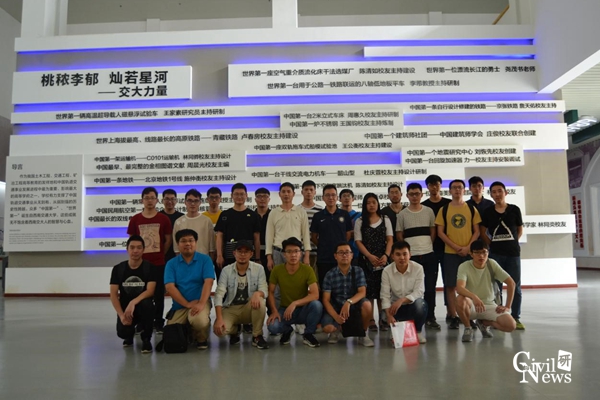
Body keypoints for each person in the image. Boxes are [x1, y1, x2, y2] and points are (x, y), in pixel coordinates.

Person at [435, 179, 481, 330]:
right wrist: (455, 247)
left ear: (464, 190)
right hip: (450, 253)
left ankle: (469, 315)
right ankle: (453, 316)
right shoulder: (444, 209)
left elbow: (477, 231)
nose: (457, 190)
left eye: (460, 187)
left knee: (469, 285)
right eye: (454, 187)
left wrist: (468, 247)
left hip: (468, 253)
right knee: (450, 285)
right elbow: (440, 232)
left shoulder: (471, 209)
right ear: (449, 191)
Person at [480, 181, 525, 330]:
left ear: (505, 193)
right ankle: (497, 316)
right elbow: (482, 231)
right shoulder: (488, 212)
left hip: (513, 254)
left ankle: (515, 317)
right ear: (491, 195)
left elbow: (519, 229)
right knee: (496, 287)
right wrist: (491, 244)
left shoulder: (514, 209)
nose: (497, 194)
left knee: (515, 286)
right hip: (495, 254)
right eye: (494, 192)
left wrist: (512, 242)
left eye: (500, 191)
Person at [127, 186, 172, 333]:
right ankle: (141, 322)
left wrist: (162, 254)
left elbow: (168, 239)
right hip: (140, 264)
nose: (149, 201)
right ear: (142, 200)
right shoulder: (135, 219)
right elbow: (132, 241)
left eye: (152, 198)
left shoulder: (163, 219)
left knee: (158, 294)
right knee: (140, 293)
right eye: (146, 198)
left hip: (158, 263)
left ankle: (158, 322)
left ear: (157, 200)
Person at [396, 183, 440, 330]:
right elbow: (399, 235)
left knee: (430, 287)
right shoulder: (402, 214)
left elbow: (433, 232)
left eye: (417, 194)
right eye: (411, 194)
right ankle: (413, 317)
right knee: (411, 288)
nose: (414, 197)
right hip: (411, 257)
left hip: (428, 255)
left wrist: (426, 246)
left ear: (421, 195)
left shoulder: (428, 211)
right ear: (407, 196)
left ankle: (430, 317)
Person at [164, 229, 216, 350]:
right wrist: (187, 304)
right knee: (172, 330)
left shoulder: (205, 260)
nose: (187, 244)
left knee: (199, 322)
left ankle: (201, 338)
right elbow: (169, 287)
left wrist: (201, 303)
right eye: (183, 241)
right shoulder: (171, 263)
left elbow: (208, 282)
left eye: (191, 240)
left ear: (196, 242)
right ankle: (188, 331)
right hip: (180, 305)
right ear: (178, 244)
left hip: (200, 302)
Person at [266, 237, 323, 347]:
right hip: (285, 310)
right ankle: (287, 330)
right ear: (284, 254)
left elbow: (315, 294)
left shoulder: (307, 270)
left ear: (301, 254)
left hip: (303, 309)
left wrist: (295, 303)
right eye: (289, 252)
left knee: (317, 305)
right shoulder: (277, 270)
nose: (293, 255)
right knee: (272, 326)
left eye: (296, 251)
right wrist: (274, 311)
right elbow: (271, 291)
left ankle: (308, 334)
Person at [456, 240, 516, 342]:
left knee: (511, 325)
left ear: (488, 252)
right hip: (471, 306)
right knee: (460, 299)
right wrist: (474, 297)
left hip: (489, 305)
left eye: (484, 252)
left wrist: (507, 306)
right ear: (471, 254)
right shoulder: (464, 266)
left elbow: (511, 283)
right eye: (477, 253)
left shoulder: (492, 264)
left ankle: (484, 323)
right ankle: (468, 328)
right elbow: (459, 288)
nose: (481, 256)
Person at [213, 241, 269, 349]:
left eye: (246, 251)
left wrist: (257, 293)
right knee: (219, 331)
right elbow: (219, 294)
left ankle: (257, 335)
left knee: (260, 301)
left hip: (249, 307)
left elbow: (264, 289)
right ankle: (235, 330)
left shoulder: (259, 269)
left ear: (251, 254)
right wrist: (219, 318)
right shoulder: (226, 270)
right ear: (234, 253)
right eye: (239, 251)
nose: (242, 254)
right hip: (231, 308)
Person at [321, 242, 375, 347]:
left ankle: (363, 333)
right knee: (327, 328)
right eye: (341, 253)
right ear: (335, 256)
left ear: (352, 255)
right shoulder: (330, 274)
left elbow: (362, 292)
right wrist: (336, 317)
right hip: (336, 307)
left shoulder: (358, 271)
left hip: (353, 306)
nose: (344, 255)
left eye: (347, 252)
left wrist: (348, 302)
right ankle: (335, 330)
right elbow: (326, 300)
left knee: (367, 305)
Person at [109, 235, 156, 353]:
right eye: (132, 247)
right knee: (122, 333)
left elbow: (150, 291)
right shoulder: (118, 269)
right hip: (126, 309)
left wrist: (133, 302)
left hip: (142, 306)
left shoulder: (150, 268)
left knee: (147, 304)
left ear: (143, 250)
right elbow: (113, 294)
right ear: (127, 249)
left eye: (139, 248)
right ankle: (129, 335)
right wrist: (121, 315)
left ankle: (146, 339)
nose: (135, 251)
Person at [355, 192, 394, 332]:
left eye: (374, 202)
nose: (371, 205)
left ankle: (383, 318)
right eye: (368, 203)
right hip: (366, 261)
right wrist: (369, 256)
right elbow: (358, 241)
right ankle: (370, 319)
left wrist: (386, 255)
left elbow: (390, 239)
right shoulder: (360, 221)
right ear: (364, 205)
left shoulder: (385, 219)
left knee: (383, 290)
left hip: (383, 260)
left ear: (378, 204)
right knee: (369, 291)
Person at [381, 241, 428, 344]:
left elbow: (419, 291)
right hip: (395, 308)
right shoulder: (387, 271)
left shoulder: (418, 268)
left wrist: (402, 300)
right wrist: (389, 315)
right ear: (392, 256)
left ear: (410, 255)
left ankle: (417, 332)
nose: (402, 258)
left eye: (404, 254)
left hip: (412, 305)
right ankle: (395, 329)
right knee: (385, 314)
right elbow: (385, 295)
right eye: (398, 254)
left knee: (421, 304)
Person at [310, 184, 353, 288]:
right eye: (327, 195)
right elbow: (314, 237)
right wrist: (324, 245)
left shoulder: (344, 214)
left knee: (343, 286)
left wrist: (340, 248)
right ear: (323, 198)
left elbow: (348, 234)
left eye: (333, 195)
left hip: (342, 258)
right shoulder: (318, 216)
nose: (331, 198)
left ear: (337, 197)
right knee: (325, 286)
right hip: (324, 258)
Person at [422, 174, 451, 320]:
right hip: (430, 250)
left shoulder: (449, 204)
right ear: (427, 187)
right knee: (429, 283)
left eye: (437, 184)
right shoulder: (424, 206)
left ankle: (451, 312)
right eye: (431, 185)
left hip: (448, 249)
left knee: (449, 282)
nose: (434, 187)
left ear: (441, 185)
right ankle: (430, 315)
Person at [215, 183, 261, 271]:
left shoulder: (253, 215)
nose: (239, 197)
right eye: (236, 194)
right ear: (231, 196)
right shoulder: (225, 215)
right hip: (229, 256)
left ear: (246, 195)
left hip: (248, 256)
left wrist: (257, 258)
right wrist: (219, 255)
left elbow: (257, 238)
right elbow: (219, 236)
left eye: (242, 194)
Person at [265, 182, 312, 271]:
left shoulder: (301, 211)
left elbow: (306, 235)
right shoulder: (273, 213)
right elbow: (269, 236)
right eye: (283, 192)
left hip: (296, 253)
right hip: (278, 252)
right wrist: (269, 257)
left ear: (293, 194)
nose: (286, 194)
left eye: (288, 191)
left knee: (296, 278)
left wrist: (307, 255)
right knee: (279, 279)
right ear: (279, 194)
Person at [172, 189, 216, 259]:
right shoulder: (178, 222)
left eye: (196, 201)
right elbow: (176, 248)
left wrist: (210, 262)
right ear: (185, 202)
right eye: (189, 201)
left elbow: (212, 247)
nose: (192, 204)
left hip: (203, 260)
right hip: (184, 260)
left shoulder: (206, 221)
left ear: (200, 202)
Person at [300, 180, 323, 269]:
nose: (308, 192)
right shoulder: (297, 210)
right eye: (306, 190)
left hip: (316, 251)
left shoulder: (320, 210)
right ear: (302, 192)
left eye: (311, 190)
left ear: (315, 192)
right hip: (300, 251)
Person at [160, 188, 184, 263]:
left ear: (176, 201)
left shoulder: (182, 217)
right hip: (162, 253)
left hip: (179, 253)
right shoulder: (158, 216)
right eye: (167, 199)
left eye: (172, 199)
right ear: (162, 201)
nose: (170, 202)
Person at [339, 188, 361, 264]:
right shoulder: (336, 215)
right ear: (340, 199)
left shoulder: (359, 215)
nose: (346, 198)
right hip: (340, 252)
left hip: (356, 251)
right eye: (344, 196)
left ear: (353, 199)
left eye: (349, 196)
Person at [254, 187, 271, 275]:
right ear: (255, 199)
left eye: (265, 196)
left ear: (269, 199)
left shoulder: (273, 215)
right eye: (259, 196)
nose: (262, 199)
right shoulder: (251, 216)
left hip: (270, 253)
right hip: (253, 253)